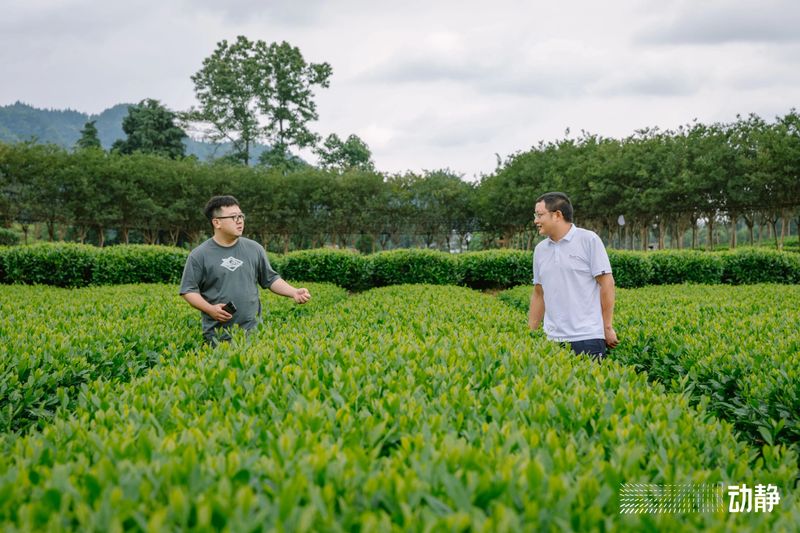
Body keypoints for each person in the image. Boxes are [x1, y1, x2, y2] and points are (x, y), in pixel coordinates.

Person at [180, 195, 311, 345]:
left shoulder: (254, 249)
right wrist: (210, 309)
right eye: (233, 217)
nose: (240, 221)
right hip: (218, 336)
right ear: (217, 222)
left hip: (253, 333)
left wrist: (294, 292)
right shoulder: (199, 255)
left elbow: (270, 279)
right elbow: (188, 290)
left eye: (241, 216)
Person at [528, 192, 618, 361]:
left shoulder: (588, 240)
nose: (536, 221)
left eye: (539, 215)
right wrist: (530, 333)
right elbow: (539, 293)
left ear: (557, 215)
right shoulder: (540, 250)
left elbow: (607, 283)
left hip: (587, 338)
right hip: (552, 340)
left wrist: (607, 327)